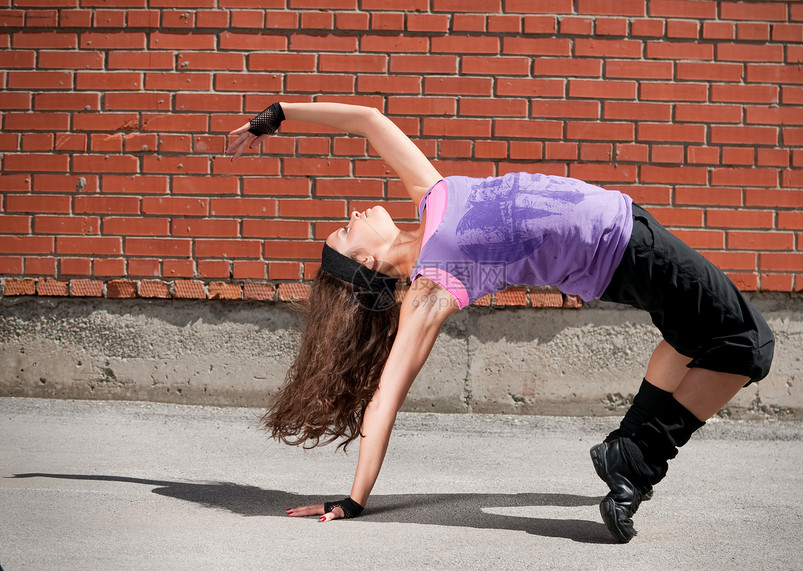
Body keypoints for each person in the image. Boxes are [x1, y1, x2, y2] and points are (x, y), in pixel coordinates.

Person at [227, 102, 774, 543]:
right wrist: (353, 499)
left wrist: (276, 116)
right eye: (344, 234)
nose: (349, 218)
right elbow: (385, 397)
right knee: (749, 345)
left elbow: (370, 120)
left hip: (623, 227)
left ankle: (629, 452)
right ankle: (636, 457)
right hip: (621, 250)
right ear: (365, 264)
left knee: (691, 337)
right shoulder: (433, 285)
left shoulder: (430, 198)